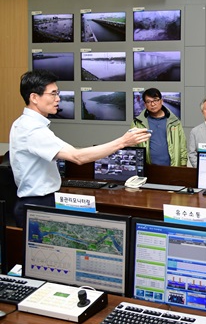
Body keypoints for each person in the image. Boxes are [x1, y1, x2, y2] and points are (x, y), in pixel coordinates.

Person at [9, 70, 151, 227]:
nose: (58, 98)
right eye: (53, 94)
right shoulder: (32, 129)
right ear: (34, 97)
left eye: (58, 93)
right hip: (38, 203)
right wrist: (123, 142)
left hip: (37, 201)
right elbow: (77, 157)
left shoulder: (24, 123)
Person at [132, 88, 187, 166]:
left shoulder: (174, 122)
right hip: (148, 167)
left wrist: (183, 164)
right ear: (145, 105)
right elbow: (133, 146)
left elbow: (182, 145)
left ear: (161, 101)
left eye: (155, 100)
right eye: (148, 101)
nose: (153, 104)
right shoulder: (137, 123)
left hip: (171, 166)